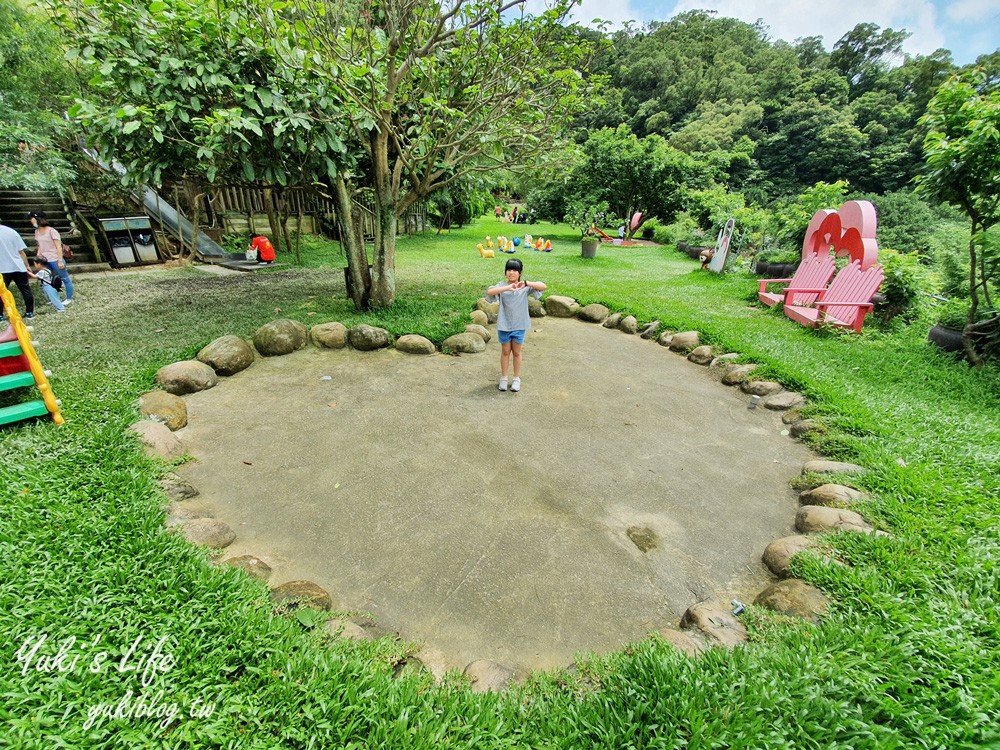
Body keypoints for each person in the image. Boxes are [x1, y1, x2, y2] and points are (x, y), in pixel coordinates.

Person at [486, 258, 546, 393]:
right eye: (509, 270)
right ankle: (504, 378)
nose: (511, 273)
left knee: (517, 353)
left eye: (515, 270)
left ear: (520, 273)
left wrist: (525, 283)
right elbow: (490, 292)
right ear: (505, 272)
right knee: (505, 352)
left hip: (519, 325)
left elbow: (543, 286)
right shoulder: (501, 286)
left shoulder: (525, 287)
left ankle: (516, 379)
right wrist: (508, 287)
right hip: (504, 325)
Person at [28, 212, 73, 305]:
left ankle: (69, 298)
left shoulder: (52, 231)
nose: (31, 221)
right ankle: (53, 298)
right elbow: (39, 246)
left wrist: (60, 261)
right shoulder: (36, 232)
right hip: (45, 260)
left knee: (65, 278)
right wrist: (38, 258)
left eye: (32, 219)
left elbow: (58, 247)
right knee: (46, 280)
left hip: (55, 259)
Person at [0, 222, 35, 319]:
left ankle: (0, 315)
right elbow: (21, 251)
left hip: (2, 268)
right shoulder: (12, 232)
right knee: (25, 290)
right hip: (18, 267)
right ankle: (29, 312)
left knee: (1, 292)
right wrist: (27, 265)